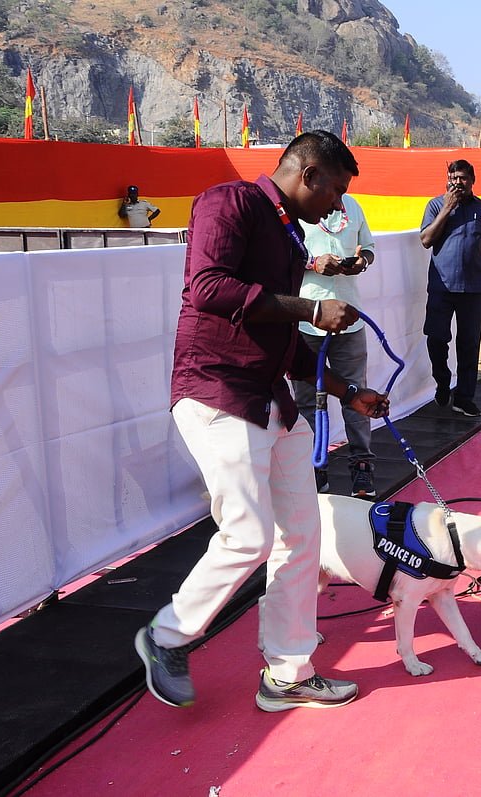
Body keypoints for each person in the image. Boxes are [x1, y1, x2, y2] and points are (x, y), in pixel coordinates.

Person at [135, 131, 389, 713]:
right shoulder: (228, 202)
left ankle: (289, 674)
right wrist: (311, 307)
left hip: (272, 400)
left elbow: (285, 339)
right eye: (336, 190)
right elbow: (208, 288)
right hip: (218, 391)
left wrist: (349, 393)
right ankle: (166, 635)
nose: (339, 205)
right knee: (249, 534)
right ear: (309, 174)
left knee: (302, 537)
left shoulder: (290, 235)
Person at [291, 191, 378, 499]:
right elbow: (283, 256)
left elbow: (368, 248)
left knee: (356, 394)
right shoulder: (297, 207)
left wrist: (361, 262)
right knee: (307, 400)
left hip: (350, 318)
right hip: (307, 319)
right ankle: (316, 467)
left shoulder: (352, 205)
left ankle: (362, 467)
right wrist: (314, 263)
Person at [419, 159, 481, 418]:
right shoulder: (435, 205)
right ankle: (443, 382)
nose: (457, 183)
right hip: (441, 287)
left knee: (469, 344)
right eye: (453, 178)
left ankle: (464, 398)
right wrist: (447, 208)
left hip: (473, 289)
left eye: (463, 178)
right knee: (436, 338)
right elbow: (426, 240)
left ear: (472, 180)